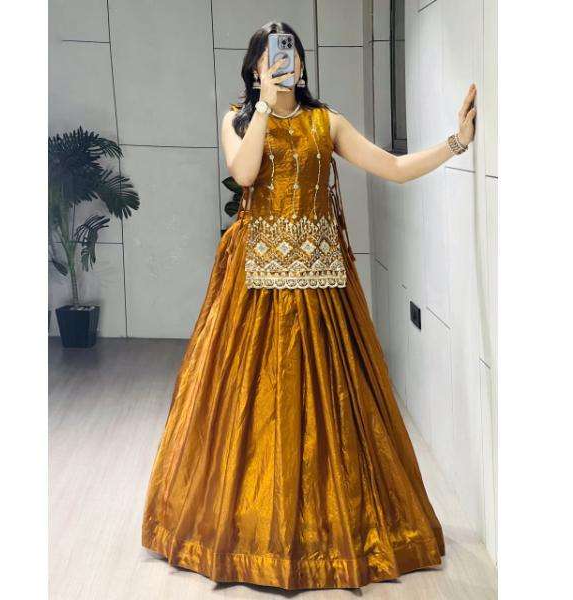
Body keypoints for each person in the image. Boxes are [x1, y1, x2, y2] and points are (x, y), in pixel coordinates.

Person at [142, 21, 476, 590]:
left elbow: (393, 169)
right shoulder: (237, 120)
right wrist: (263, 109)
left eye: (292, 51)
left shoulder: (327, 122)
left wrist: (457, 142)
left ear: (301, 62)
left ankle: (327, 532)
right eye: (273, 54)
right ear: (255, 68)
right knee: (248, 406)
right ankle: (250, 535)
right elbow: (244, 172)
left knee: (332, 409)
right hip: (254, 285)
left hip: (322, 287)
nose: (285, 60)